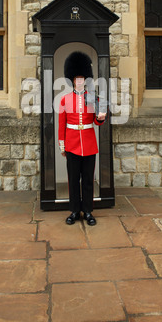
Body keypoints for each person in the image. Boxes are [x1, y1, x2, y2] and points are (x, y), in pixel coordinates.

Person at [58, 51, 107, 226]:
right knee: (73, 180)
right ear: (72, 80)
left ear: (85, 80)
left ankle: (87, 211)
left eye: (82, 78)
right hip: (71, 144)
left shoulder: (93, 98)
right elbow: (62, 124)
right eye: (77, 79)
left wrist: (100, 118)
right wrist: (62, 146)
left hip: (88, 143)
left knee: (88, 180)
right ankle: (74, 211)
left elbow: (96, 119)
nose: (79, 81)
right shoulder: (65, 99)